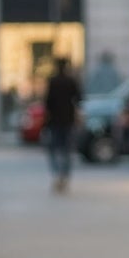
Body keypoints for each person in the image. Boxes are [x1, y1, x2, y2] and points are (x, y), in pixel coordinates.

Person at [44, 55, 82, 192]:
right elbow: (80, 98)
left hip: (54, 121)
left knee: (54, 149)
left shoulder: (53, 81)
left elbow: (47, 103)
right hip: (67, 120)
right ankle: (64, 176)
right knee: (66, 150)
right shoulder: (71, 81)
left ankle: (57, 175)